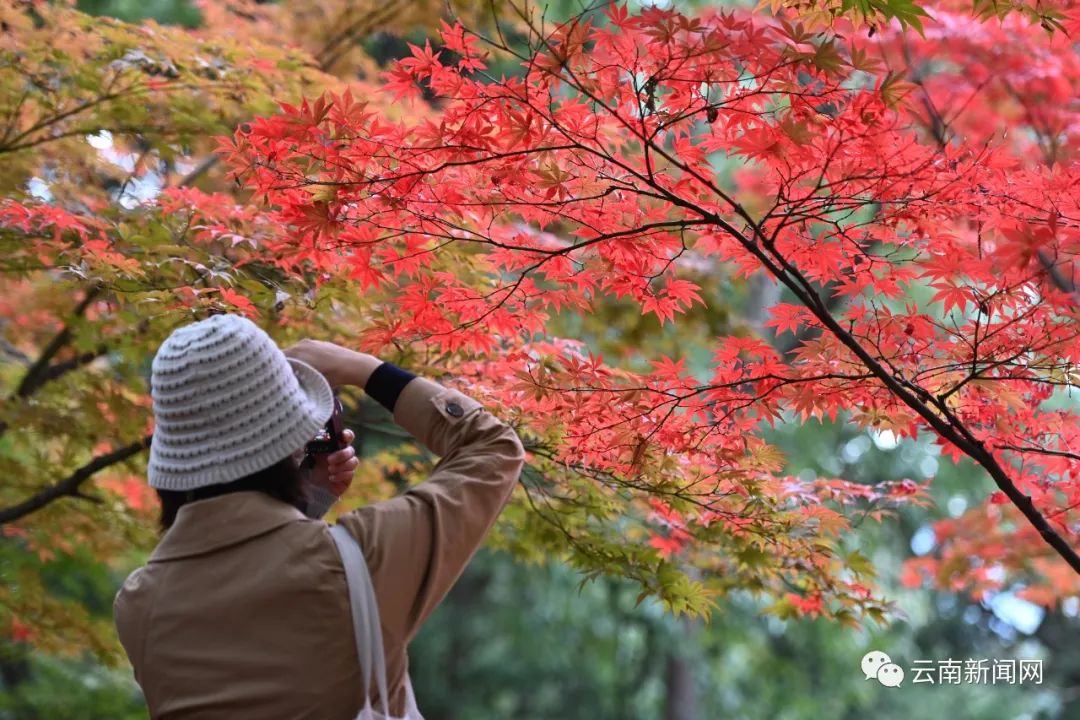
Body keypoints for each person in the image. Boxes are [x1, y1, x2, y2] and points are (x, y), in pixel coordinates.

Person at [113, 313, 526, 718]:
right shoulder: (360, 561)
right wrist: (363, 368)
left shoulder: (140, 606)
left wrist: (301, 504)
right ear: (291, 441)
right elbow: (494, 448)